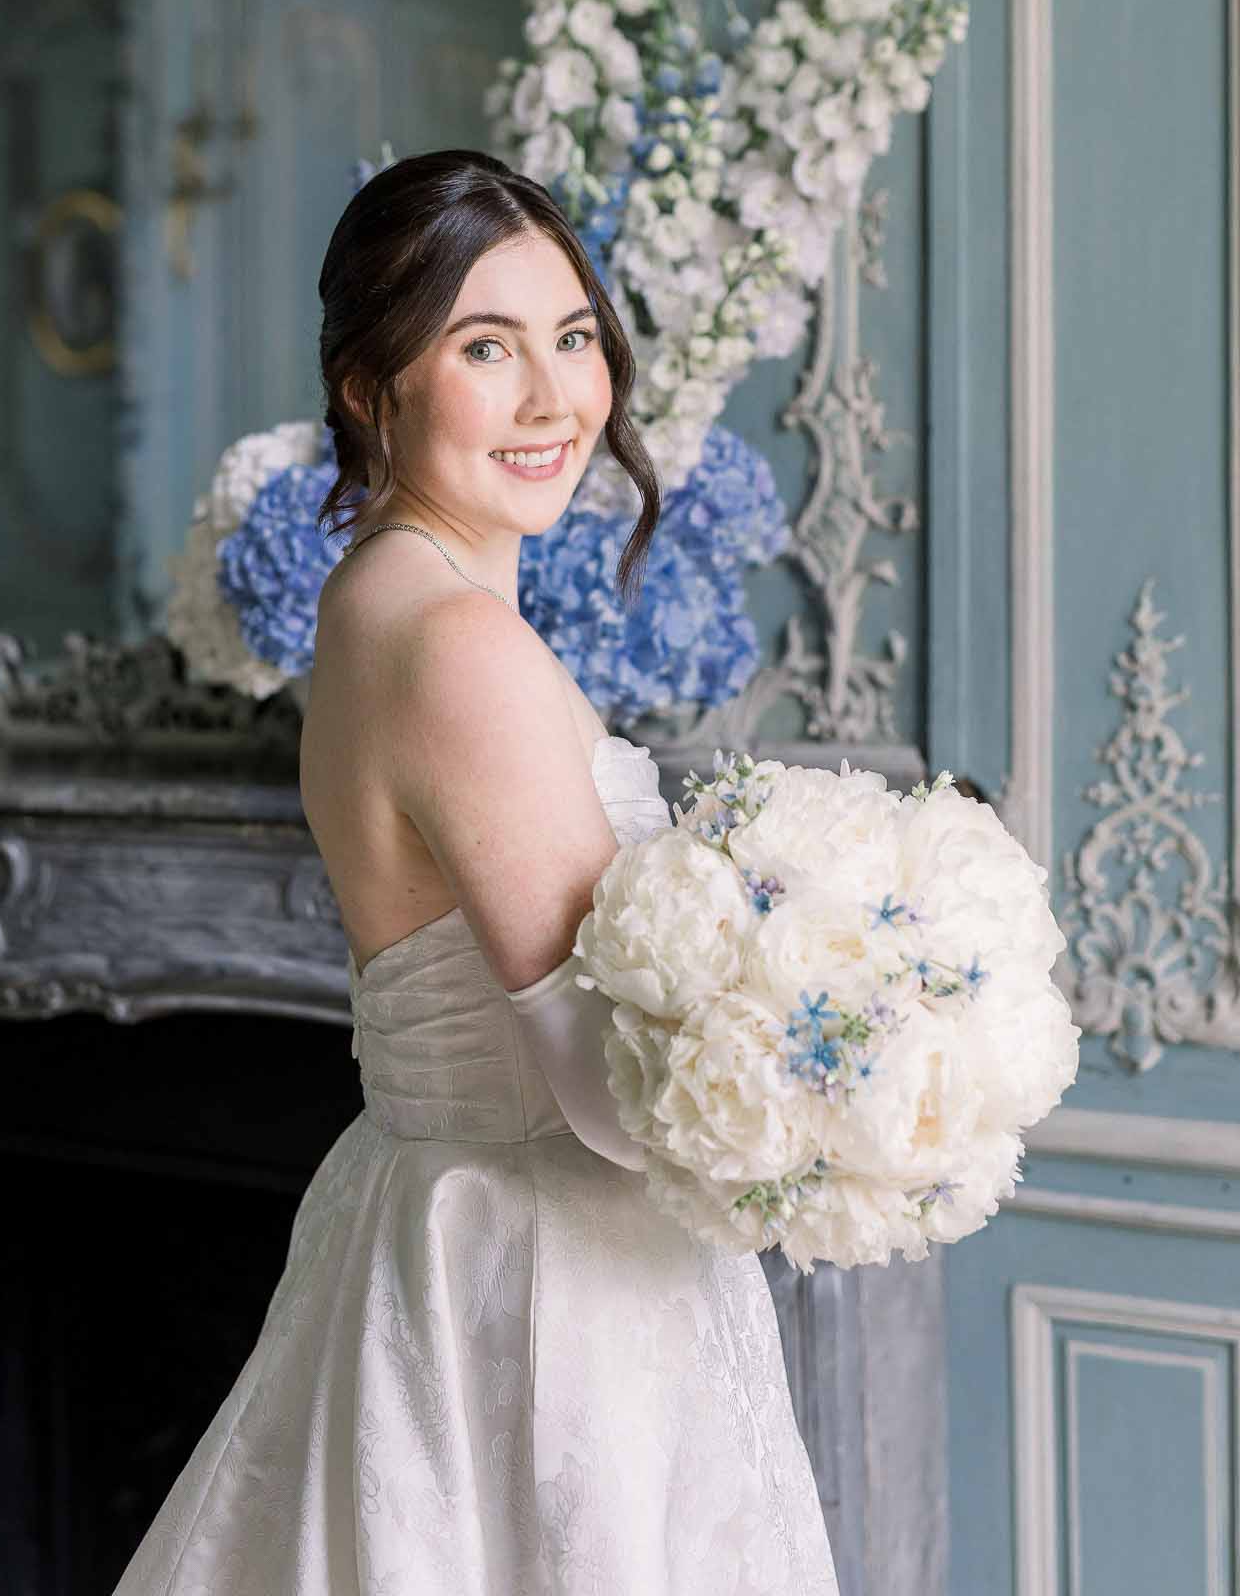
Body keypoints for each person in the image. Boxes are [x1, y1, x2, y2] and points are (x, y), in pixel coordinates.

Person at [110, 149, 841, 1594]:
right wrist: (838, 1082)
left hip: (445, 1225)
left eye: (572, 337)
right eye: (483, 348)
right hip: (549, 1287)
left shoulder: (371, 595)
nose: (554, 398)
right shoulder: (457, 648)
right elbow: (609, 1102)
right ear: (369, 388)